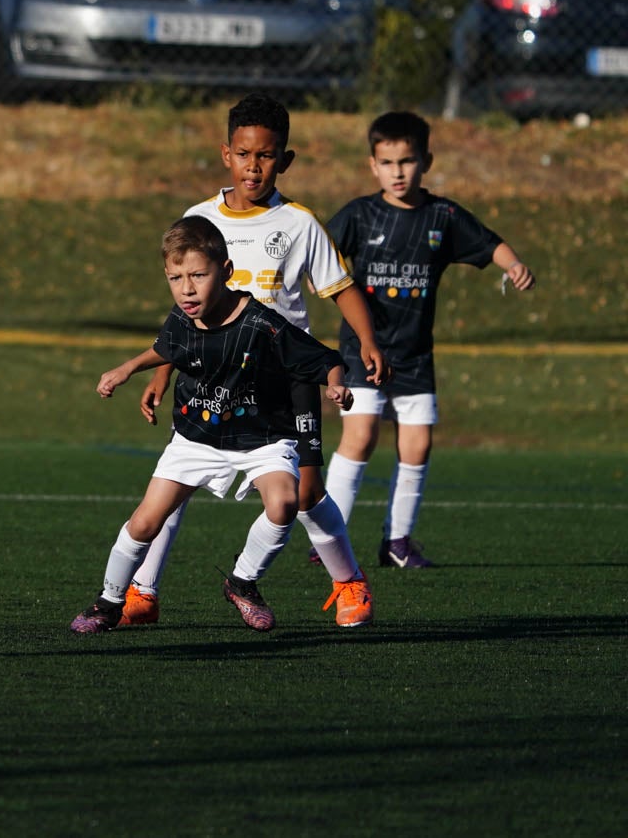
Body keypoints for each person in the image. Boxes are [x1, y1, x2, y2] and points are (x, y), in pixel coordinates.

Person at [123, 92, 383, 628]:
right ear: (226, 154)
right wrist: (164, 372)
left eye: (266, 156)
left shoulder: (299, 223)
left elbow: (342, 288)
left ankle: (349, 581)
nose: (253, 166)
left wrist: (368, 343)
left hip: (283, 378)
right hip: (211, 375)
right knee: (178, 484)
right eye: (244, 154)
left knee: (306, 492)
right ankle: (141, 594)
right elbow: (187, 311)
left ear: (284, 160)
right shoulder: (198, 219)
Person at [71, 215, 357, 634]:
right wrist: (126, 369)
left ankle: (242, 581)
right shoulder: (181, 317)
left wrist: (335, 385)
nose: (186, 288)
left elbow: (323, 358)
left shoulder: (263, 324)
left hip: (261, 436)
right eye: (175, 277)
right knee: (145, 522)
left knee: (283, 504)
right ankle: (109, 601)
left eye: (197, 276)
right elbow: (164, 348)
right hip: (198, 436)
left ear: (226, 272)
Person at [324, 111, 535, 568]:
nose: (397, 171)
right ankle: (328, 539)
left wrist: (513, 264)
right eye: (387, 162)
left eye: (406, 161)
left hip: (416, 355)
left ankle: (397, 542)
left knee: (417, 446)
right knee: (359, 438)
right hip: (363, 350)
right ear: (372, 165)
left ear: (426, 161)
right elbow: (319, 251)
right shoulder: (360, 215)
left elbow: (489, 242)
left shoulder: (443, 216)